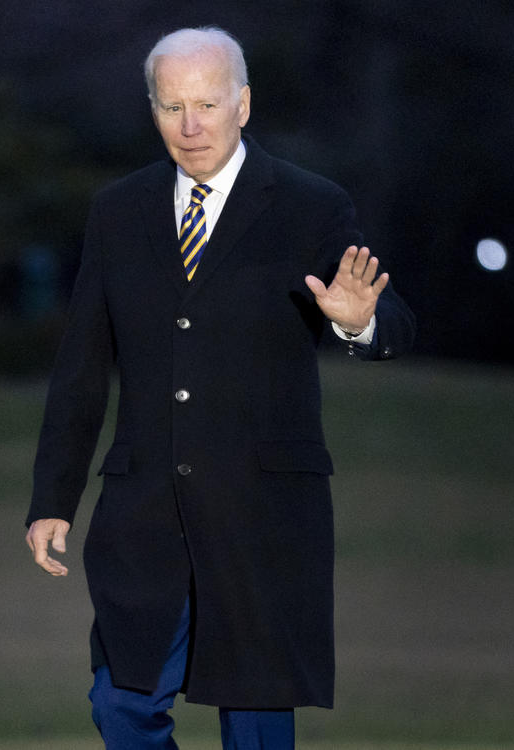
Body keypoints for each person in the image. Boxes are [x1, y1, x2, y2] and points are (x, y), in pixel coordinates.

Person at [25, 26, 415, 750]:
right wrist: (53, 498)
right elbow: (82, 364)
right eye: (172, 107)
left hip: (263, 519)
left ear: (243, 104)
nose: (191, 125)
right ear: (153, 110)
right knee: (122, 709)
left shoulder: (309, 204)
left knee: (258, 731)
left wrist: (359, 323)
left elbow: (392, 318)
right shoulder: (119, 210)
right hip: (145, 515)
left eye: (207, 103)